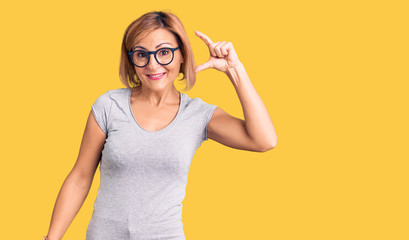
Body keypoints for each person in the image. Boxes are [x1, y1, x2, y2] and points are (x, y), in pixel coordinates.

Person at [42, 10, 277, 240]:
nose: (153, 65)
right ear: (131, 59)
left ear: (182, 54)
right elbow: (80, 177)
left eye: (164, 52)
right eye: (142, 54)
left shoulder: (197, 115)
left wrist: (235, 70)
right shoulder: (109, 105)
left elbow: (264, 140)